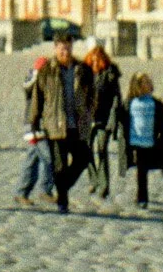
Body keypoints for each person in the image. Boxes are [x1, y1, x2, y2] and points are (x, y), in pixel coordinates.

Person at [21, 35, 92, 213]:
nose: (65, 51)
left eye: (67, 47)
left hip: (76, 124)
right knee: (59, 165)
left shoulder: (82, 69)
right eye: (61, 47)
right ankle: (63, 202)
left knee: (83, 158)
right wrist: (34, 121)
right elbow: (37, 96)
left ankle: (62, 189)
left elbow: (92, 93)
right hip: (55, 125)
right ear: (55, 48)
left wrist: (89, 112)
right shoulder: (47, 70)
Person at [120, 72, 163, 208]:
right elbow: (121, 115)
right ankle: (142, 198)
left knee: (144, 167)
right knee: (141, 170)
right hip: (136, 141)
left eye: (149, 82)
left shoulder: (154, 102)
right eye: (145, 82)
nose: (149, 85)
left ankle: (142, 197)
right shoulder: (130, 102)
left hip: (150, 140)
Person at [84, 42, 124, 201]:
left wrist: (113, 118)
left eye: (97, 60)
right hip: (87, 119)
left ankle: (104, 185)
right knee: (85, 151)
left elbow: (116, 97)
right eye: (92, 60)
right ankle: (94, 179)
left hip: (104, 118)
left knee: (101, 150)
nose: (94, 63)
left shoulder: (109, 74)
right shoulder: (84, 73)